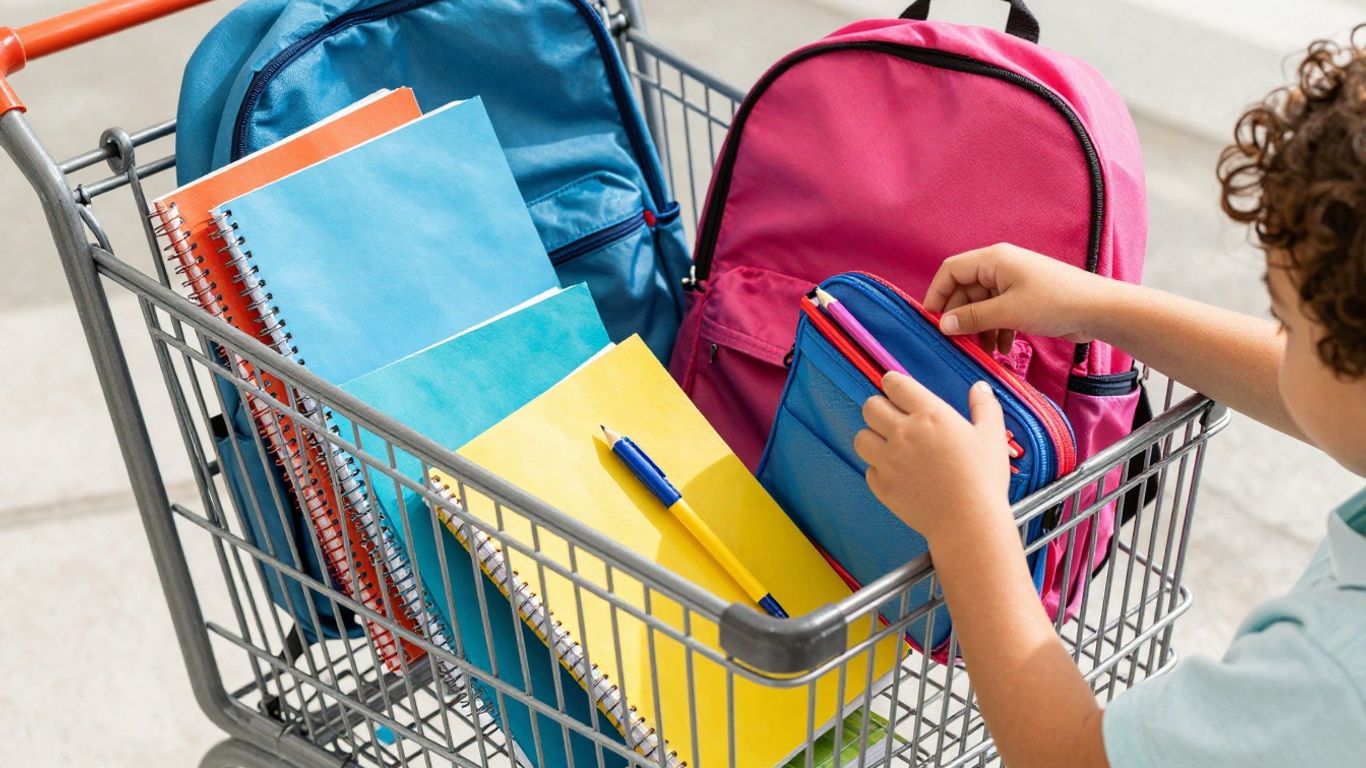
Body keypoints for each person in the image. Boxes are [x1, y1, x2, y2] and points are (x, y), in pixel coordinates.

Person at [853, 28, 1366, 768]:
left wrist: (967, 523)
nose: (1276, 340)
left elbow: (1073, 758)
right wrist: (1096, 304)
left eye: (1284, 320)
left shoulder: (1332, 679)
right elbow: (1320, 389)